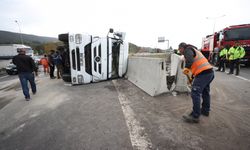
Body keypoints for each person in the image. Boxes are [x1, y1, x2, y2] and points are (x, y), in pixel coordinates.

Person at [178, 42, 214, 123]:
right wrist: (193, 76)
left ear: (182, 48)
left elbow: (190, 60)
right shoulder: (194, 50)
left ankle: (195, 116)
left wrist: (186, 68)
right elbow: (196, 64)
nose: (179, 51)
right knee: (205, 92)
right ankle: (205, 111)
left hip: (203, 74)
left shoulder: (188, 49)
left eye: (179, 49)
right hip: (209, 72)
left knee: (195, 93)